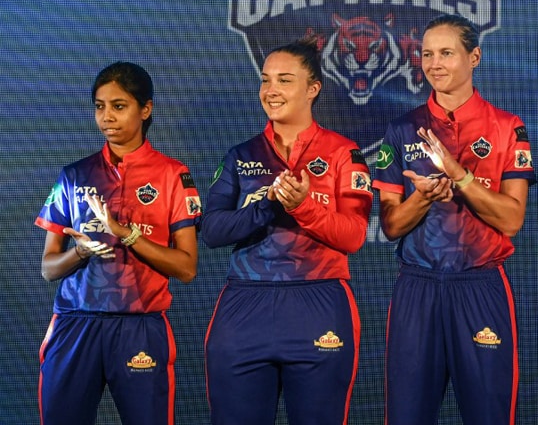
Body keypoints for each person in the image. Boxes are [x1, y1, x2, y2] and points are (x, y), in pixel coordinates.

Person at [373, 14, 535, 425]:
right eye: (427, 54)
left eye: (446, 53)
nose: (434, 63)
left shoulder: (507, 128)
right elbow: (391, 225)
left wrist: (461, 177)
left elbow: (512, 219)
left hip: (480, 284)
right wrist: (423, 198)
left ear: (474, 57)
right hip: (418, 286)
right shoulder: (402, 129)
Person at [202, 37, 372, 425]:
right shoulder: (241, 155)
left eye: (284, 80)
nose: (271, 91)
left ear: (313, 89)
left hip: (319, 303)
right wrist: (268, 206)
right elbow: (212, 230)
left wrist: (302, 206)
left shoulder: (343, 153)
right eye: (265, 80)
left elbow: (353, 236)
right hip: (244, 307)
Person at [36, 61, 201, 425]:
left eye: (119, 106)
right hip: (74, 325)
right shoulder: (74, 175)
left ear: (146, 109)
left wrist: (127, 234)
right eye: (100, 106)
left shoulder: (172, 175)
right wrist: (80, 251)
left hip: (139, 326)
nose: (107, 116)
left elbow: (187, 267)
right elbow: (49, 269)